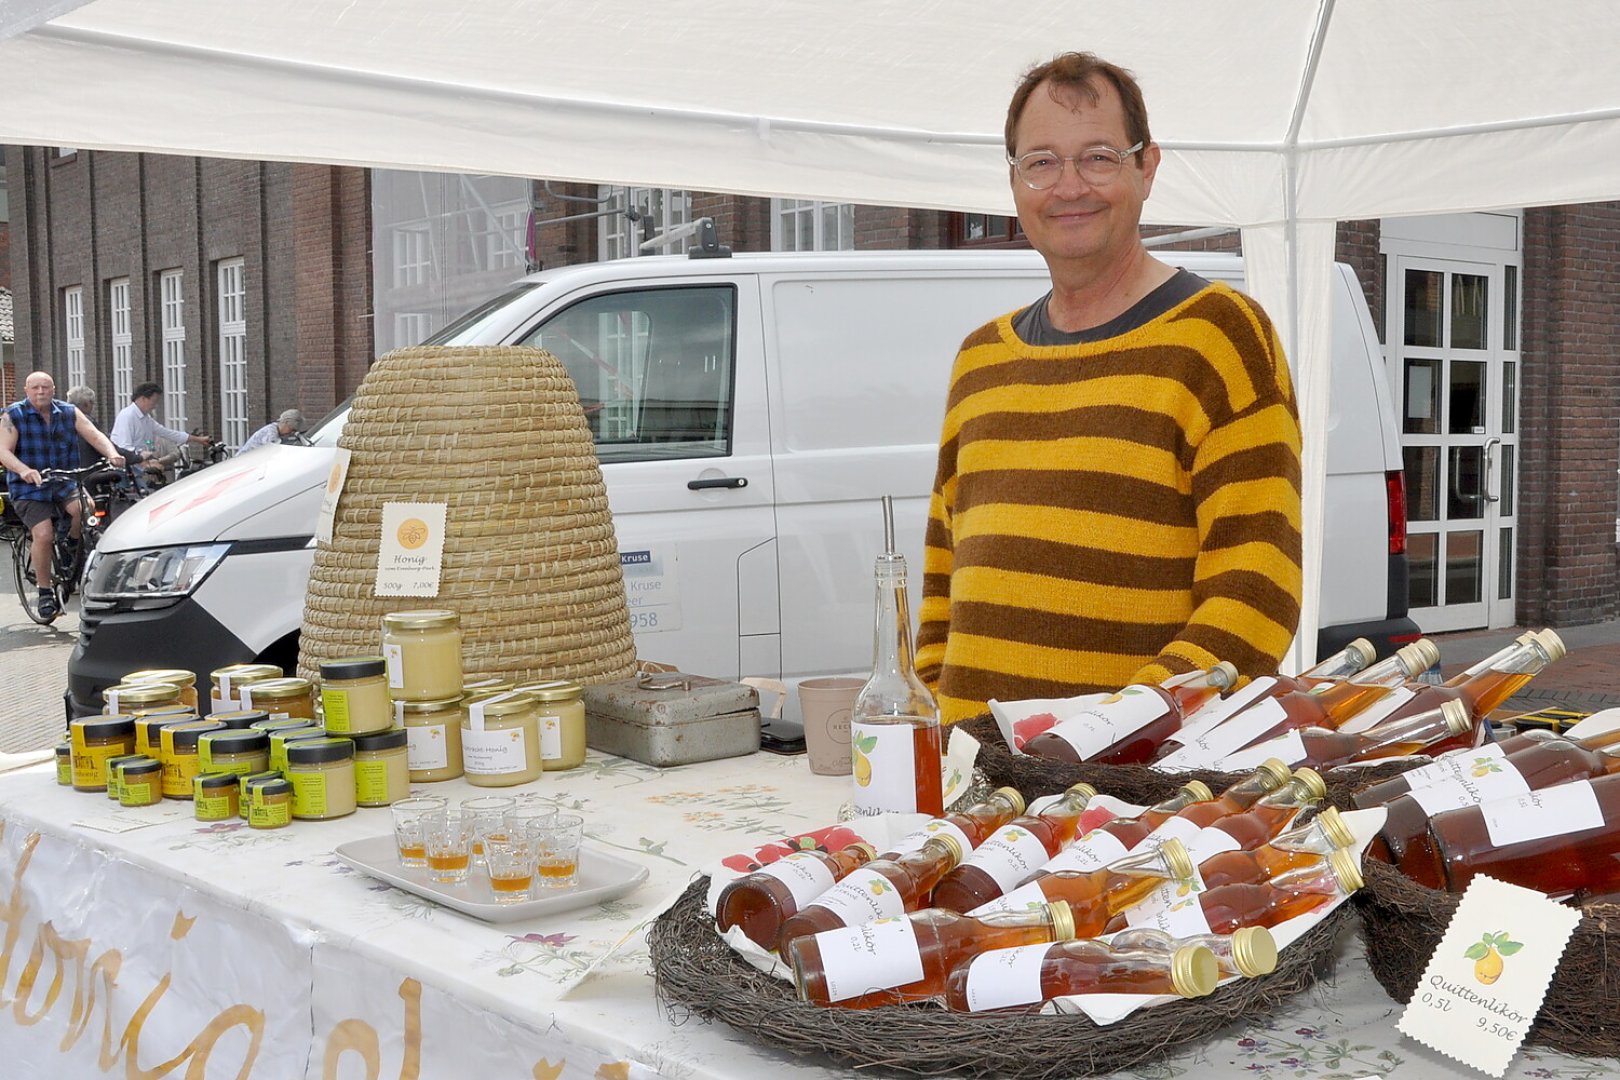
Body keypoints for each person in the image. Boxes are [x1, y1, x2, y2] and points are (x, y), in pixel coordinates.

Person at [914, 52, 1303, 725]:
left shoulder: (1219, 339)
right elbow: (943, 586)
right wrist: (936, 726)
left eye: (1097, 157)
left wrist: (1104, 738)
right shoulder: (980, 360)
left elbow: (1254, 600)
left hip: (1128, 801)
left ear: (1146, 169)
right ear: (1013, 182)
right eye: (1041, 162)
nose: (1069, 186)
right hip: (972, 791)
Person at [0, 372, 126, 620]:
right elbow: (4, 451)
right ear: (26, 389)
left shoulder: (68, 412)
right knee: (43, 533)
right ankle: (45, 593)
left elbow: (93, 434)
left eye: (45, 387)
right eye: (35, 387)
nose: (40, 392)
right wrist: (24, 470)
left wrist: (112, 454)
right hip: (30, 487)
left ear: (53, 389)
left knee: (86, 508)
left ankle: (70, 543)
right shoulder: (13, 415)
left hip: (63, 481)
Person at [109, 382, 213, 462]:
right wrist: (143, 461)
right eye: (154, 401)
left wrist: (197, 439)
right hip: (126, 471)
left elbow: (167, 433)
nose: (155, 406)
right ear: (143, 398)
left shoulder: (146, 419)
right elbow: (124, 447)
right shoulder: (127, 416)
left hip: (137, 468)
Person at [238, 408, 308, 453]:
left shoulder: (273, 428)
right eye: (291, 429)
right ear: (286, 423)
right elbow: (274, 451)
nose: (291, 432)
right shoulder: (271, 434)